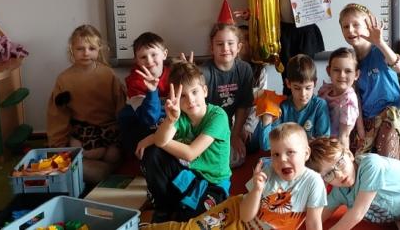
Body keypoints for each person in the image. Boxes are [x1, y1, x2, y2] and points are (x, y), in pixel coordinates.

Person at [145, 123, 326, 230]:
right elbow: (246, 216)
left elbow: (313, 223)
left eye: (290, 152)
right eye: (275, 154)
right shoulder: (268, 171)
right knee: (192, 228)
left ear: (306, 153)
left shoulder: (314, 182)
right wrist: (257, 190)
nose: (282, 159)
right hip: (237, 211)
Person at [136, 60, 232, 223]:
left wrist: (154, 138)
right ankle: (163, 207)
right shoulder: (180, 116)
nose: (190, 100)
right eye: (183, 96)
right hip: (190, 176)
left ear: (205, 91)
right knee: (153, 153)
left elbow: (190, 154)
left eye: (194, 92)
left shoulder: (218, 116)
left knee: (191, 221)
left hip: (214, 184)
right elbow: (161, 141)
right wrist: (170, 120)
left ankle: (180, 207)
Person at [307, 137, 400, 230]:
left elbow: (357, 213)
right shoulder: (340, 192)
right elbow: (315, 217)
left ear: (349, 154)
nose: (338, 174)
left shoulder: (370, 165)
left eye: (340, 163)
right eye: (328, 174)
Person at [46, 24, 125, 184]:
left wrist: (124, 133)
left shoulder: (107, 74)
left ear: (99, 49)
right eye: (80, 49)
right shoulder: (64, 79)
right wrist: (58, 146)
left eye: (91, 48)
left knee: (113, 156)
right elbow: (57, 115)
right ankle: (90, 169)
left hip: (109, 129)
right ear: (72, 50)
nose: (86, 53)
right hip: (82, 132)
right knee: (94, 156)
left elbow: (121, 105)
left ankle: (95, 170)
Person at [338, 3, 400, 159]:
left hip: (389, 115)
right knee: (358, 159)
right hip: (368, 118)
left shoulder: (379, 50)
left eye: (356, 25)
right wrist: (360, 128)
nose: (350, 30)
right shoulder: (351, 60)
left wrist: (380, 42)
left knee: (387, 160)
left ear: (367, 26)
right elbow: (355, 95)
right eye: (345, 26)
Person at [202, 2, 256, 167]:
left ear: (238, 47)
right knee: (216, 158)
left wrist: (235, 135)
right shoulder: (205, 73)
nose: (225, 48)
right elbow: (199, 113)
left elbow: (243, 106)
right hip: (208, 126)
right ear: (212, 48)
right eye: (219, 44)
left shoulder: (244, 69)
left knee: (247, 150)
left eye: (230, 43)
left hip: (231, 126)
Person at [252, 55, 330, 151]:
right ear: (288, 83)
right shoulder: (282, 106)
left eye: (308, 88)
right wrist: (267, 118)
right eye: (297, 88)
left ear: (315, 83)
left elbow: (323, 145)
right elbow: (267, 145)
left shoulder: (320, 106)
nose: (303, 94)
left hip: (311, 156)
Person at [118, 32, 170, 158]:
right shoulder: (135, 82)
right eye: (143, 57)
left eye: (153, 54)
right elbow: (150, 119)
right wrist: (152, 91)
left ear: (164, 54)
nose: (149, 61)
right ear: (136, 60)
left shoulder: (174, 74)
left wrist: (188, 72)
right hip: (140, 129)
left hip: (164, 127)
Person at [317, 47, 364, 152]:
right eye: (336, 70)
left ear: (356, 74)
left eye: (348, 71)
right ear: (328, 71)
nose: (342, 75)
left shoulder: (348, 101)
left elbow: (344, 137)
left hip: (334, 148)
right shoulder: (325, 90)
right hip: (319, 141)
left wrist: (341, 157)